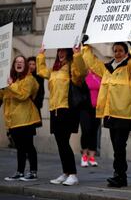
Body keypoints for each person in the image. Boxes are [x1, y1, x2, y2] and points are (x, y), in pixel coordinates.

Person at [81, 36, 131, 188]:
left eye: (121, 50)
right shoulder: (107, 68)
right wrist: (86, 46)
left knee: (119, 146)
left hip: (124, 114)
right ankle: (118, 175)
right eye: (115, 50)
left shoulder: (130, 68)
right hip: (110, 113)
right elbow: (92, 63)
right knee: (117, 148)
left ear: (126, 52)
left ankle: (120, 176)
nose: (117, 53)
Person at [37, 47, 86, 186]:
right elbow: (41, 71)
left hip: (67, 109)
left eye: (64, 51)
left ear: (68, 53)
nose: (61, 53)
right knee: (60, 143)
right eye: (59, 51)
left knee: (64, 142)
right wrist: (41, 53)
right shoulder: (55, 70)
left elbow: (81, 72)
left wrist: (77, 53)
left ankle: (73, 174)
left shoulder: (71, 67)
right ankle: (66, 172)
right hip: (55, 110)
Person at [2, 56, 40, 181]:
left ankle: (33, 172)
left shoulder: (29, 79)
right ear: (14, 65)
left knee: (28, 146)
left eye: (22, 62)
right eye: (17, 62)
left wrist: (11, 85)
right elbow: (4, 96)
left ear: (26, 66)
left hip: (26, 118)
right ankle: (20, 171)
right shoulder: (11, 80)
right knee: (19, 147)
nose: (19, 64)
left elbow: (23, 95)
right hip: (14, 120)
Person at [80, 69, 102, 167]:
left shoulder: (99, 76)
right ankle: (84, 155)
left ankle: (92, 156)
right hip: (84, 108)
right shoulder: (83, 76)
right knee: (85, 130)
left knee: (94, 130)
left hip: (97, 108)